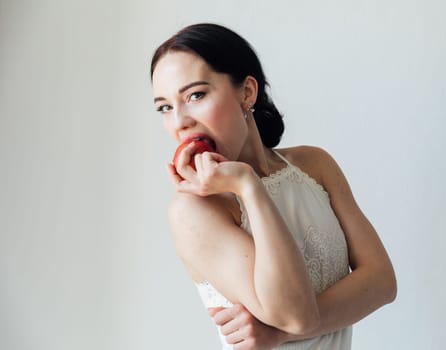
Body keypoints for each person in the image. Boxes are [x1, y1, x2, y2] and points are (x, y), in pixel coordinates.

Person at [150, 23, 396, 350]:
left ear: (247, 92)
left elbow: (381, 282)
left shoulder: (315, 165)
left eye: (195, 95)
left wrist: (279, 333)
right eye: (165, 107)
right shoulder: (193, 211)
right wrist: (248, 188)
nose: (179, 121)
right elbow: (296, 314)